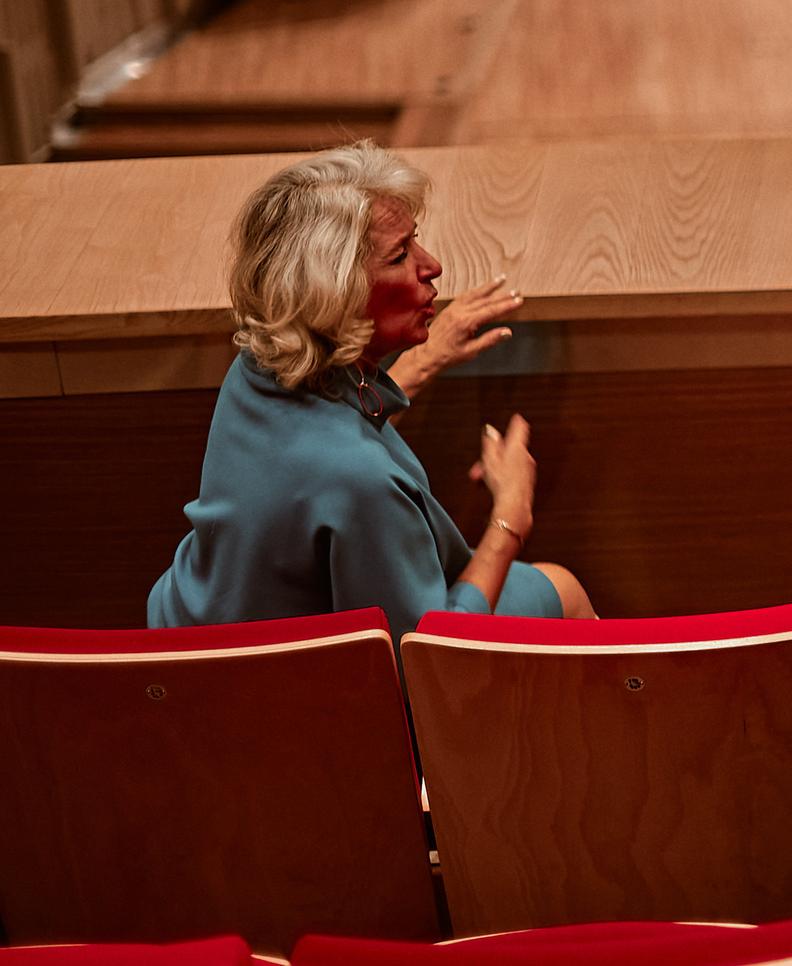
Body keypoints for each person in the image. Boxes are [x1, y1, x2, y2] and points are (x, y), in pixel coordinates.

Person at [150, 145, 594, 638]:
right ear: (336, 295)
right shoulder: (361, 480)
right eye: (400, 255)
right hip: (300, 689)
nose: (432, 265)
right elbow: (421, 651)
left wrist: (424, 360)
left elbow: (320, 454)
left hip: (200, 634)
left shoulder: (256, 366)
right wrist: (510, 516)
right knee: (563, 588)